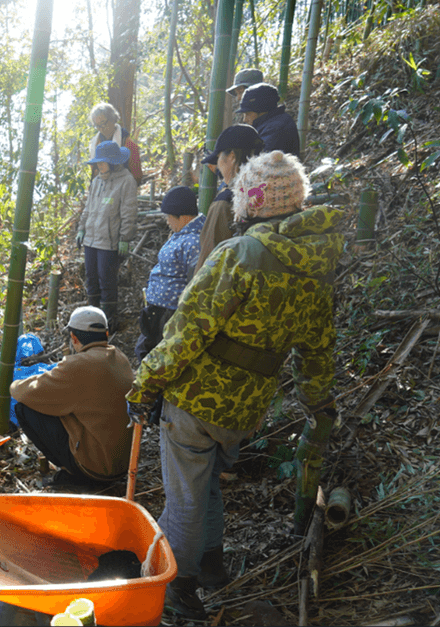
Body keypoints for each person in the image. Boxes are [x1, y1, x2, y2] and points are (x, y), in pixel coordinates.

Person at [127, 151, 344, 619]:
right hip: (246, 406)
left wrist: (144, 384)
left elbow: (186, 332)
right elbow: (316, 351)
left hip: (195, 397)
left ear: (253, 202)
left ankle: (175, 590)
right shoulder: (316, 266)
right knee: (208, 488)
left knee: (184, 498)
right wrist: (317, 402)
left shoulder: (241, 253)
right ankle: (211, 564)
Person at [10, 306, 135, 487]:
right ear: (106, 334)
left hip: (96, 470)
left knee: (24, 408)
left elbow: (23, 392)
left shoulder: (79, 365)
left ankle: (74, 474)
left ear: (74, 338)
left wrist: (15, 383)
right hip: (124, 465)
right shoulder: (120, 358)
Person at [135, 186, 205, 424]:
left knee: (159, 359)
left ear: (182, 216)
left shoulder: (194, 241)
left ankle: (158, 408)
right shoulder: (181, 236)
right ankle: (149, 403)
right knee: (145, 351)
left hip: (171, 312)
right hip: (158, 309)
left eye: (168, 217)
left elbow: (193, 281)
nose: (166, 222)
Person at [77, 140, 138, 325]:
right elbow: (88, 208)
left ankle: (108, 321)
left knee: (107, 281)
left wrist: (125, 238)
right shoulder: (96, 181)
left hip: (109, 242)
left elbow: (129, 212)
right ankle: (92, 320)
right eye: (98, 162)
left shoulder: (127, 181)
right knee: (92, 279)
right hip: (91, 240)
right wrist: (81, 229)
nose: (99, 165)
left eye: (102, 162)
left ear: (113, 161)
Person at [196, 124, 265, 271]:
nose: (218, 166)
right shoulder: (271, 191)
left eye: (219, 158)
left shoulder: (226, 200)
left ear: (232, 157)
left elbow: (209, 259)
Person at [237, 83, 300, 158]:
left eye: (248, 113)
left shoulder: (276, 129)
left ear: (261, 110)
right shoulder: (272, 124)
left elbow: (258, 161)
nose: (245, 119)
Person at [88, 103, 143, 185]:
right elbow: (94, 173)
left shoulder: (128, 144)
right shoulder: (95, 144)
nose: (101, 128)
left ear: (112, 119)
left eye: (103, 123)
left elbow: (137, 176)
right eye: (97, 125)